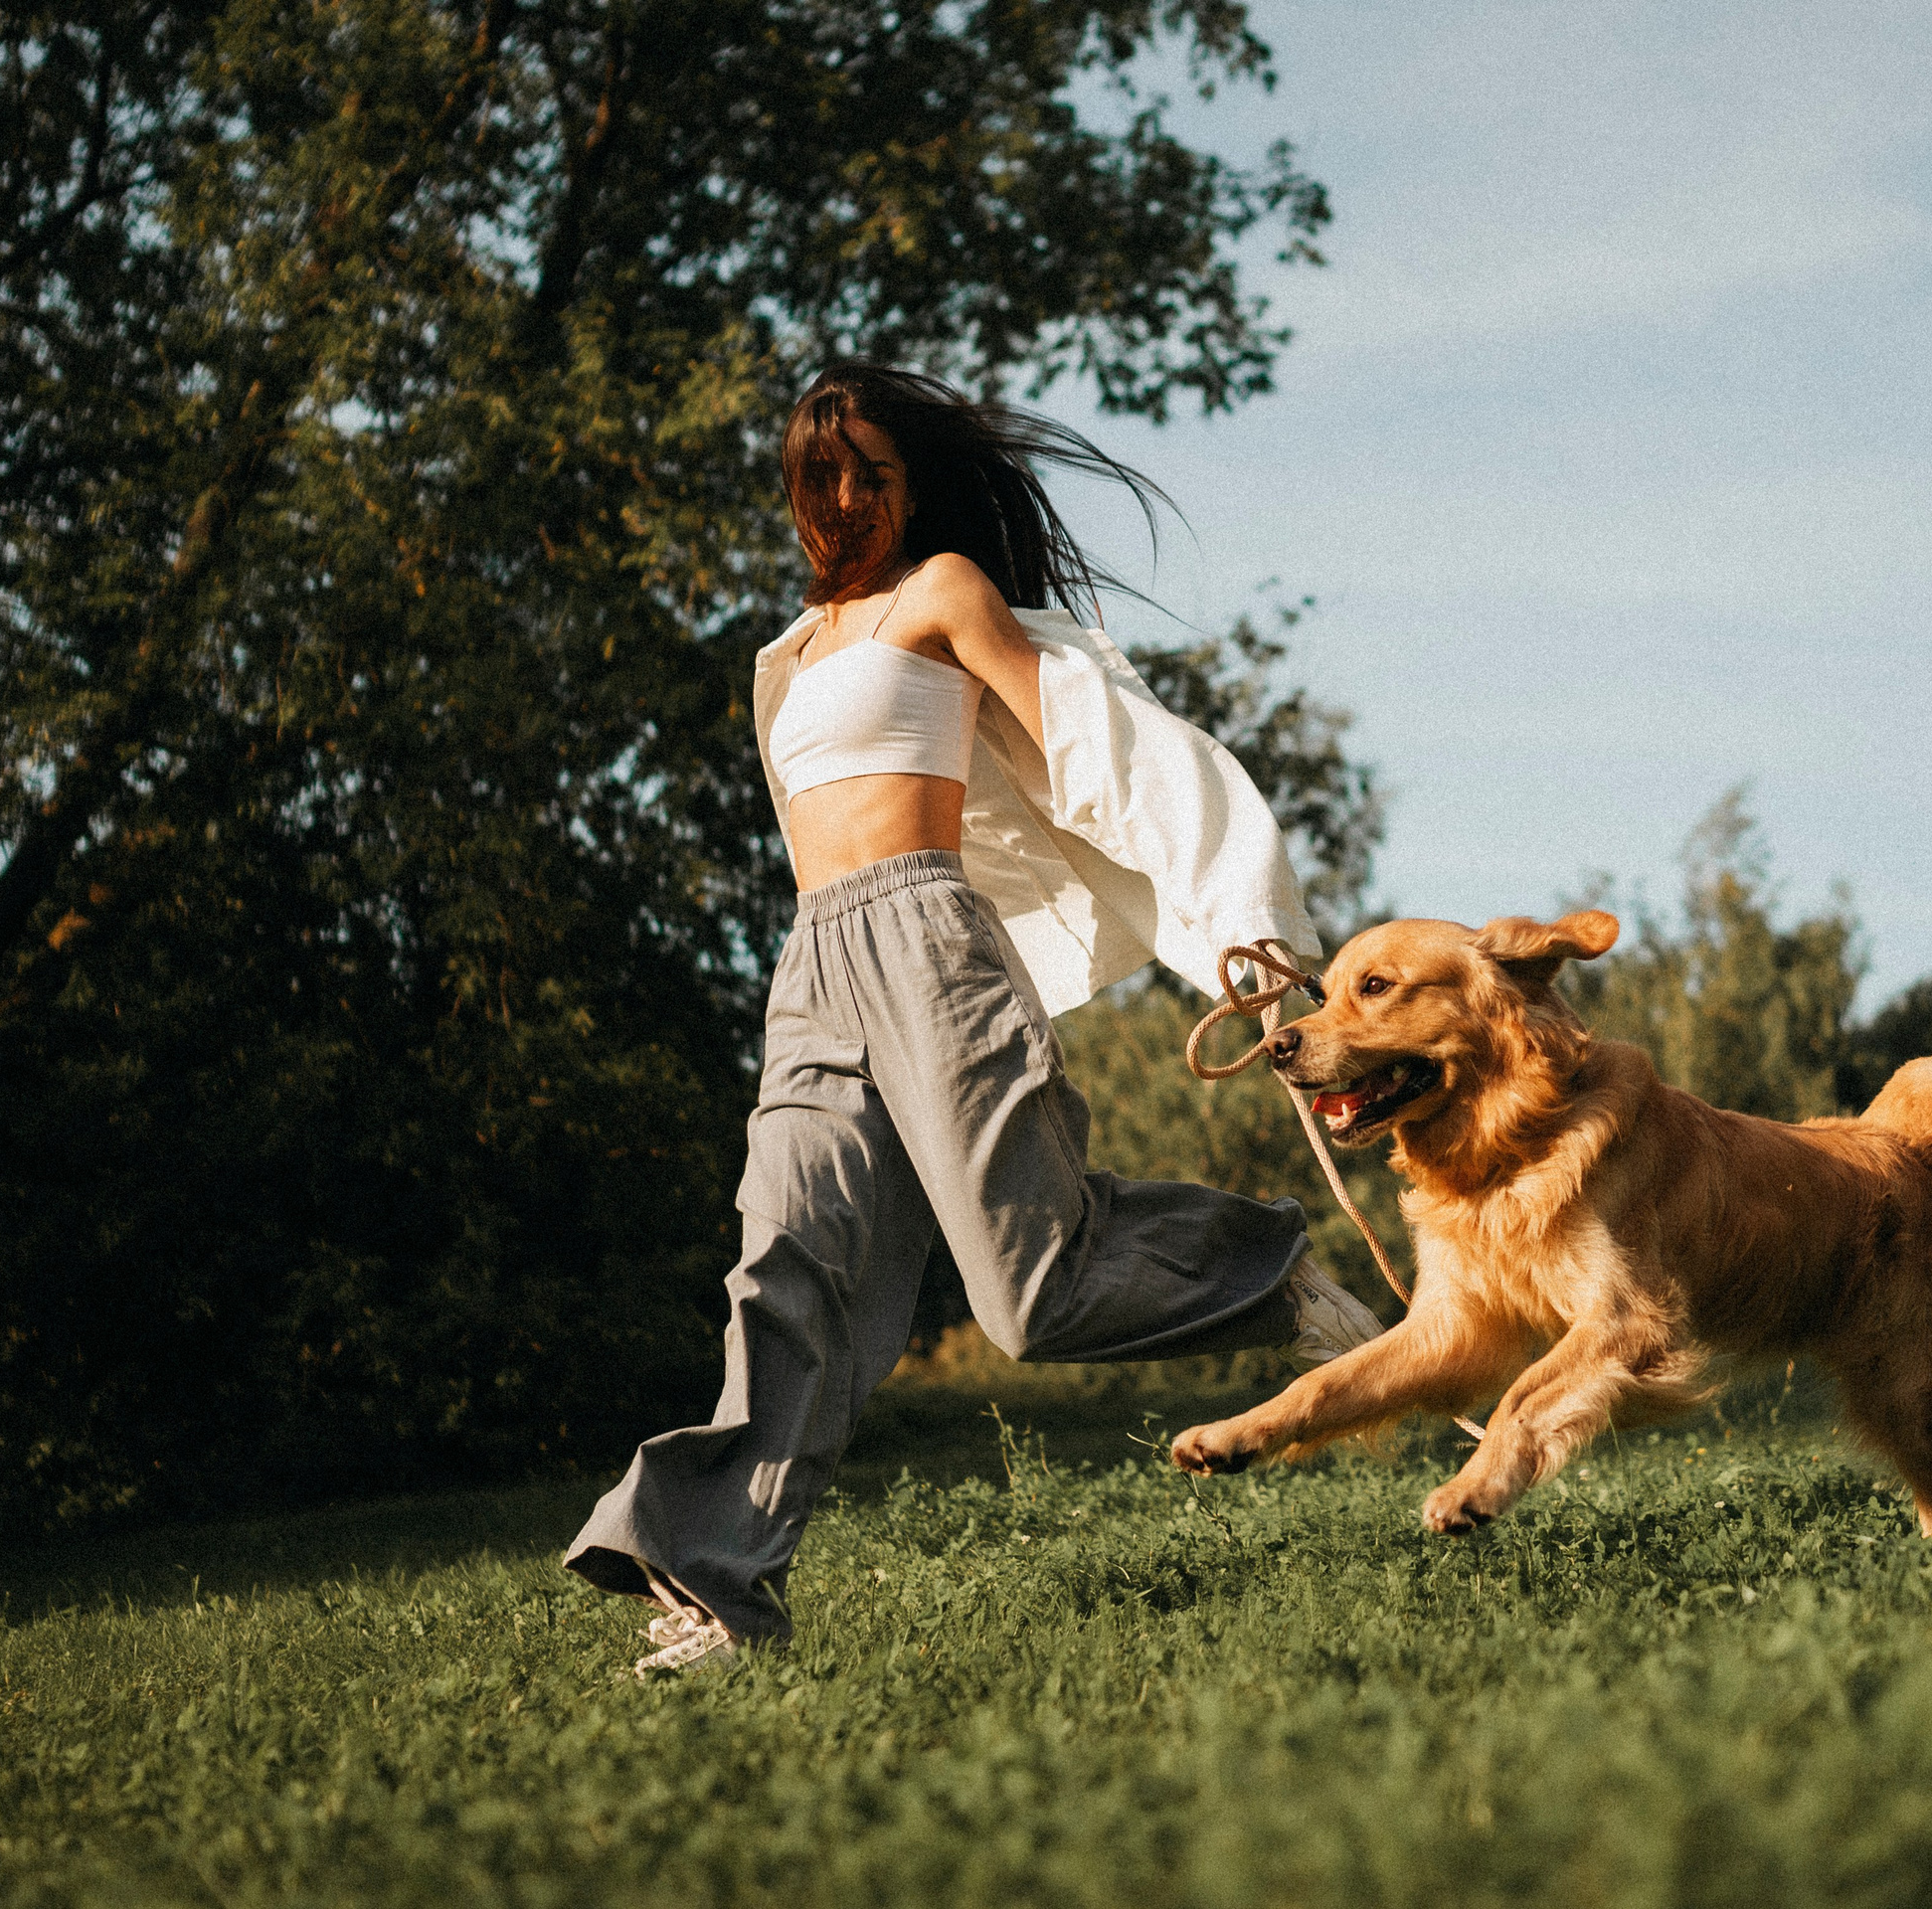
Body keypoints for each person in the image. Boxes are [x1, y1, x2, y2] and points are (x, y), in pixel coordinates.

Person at [563, 364, 1382, 1677]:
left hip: (929, 946)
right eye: (823, 477)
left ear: (914, 483)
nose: (848, 498)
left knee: (1031, 1293)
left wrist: (1228, 904)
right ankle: (721, 1587)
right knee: (787, 1261)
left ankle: (1264, 1269)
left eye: (873, 473)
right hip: (812, 966)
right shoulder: (789, 655)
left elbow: (1093, 747)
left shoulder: (945, 592)